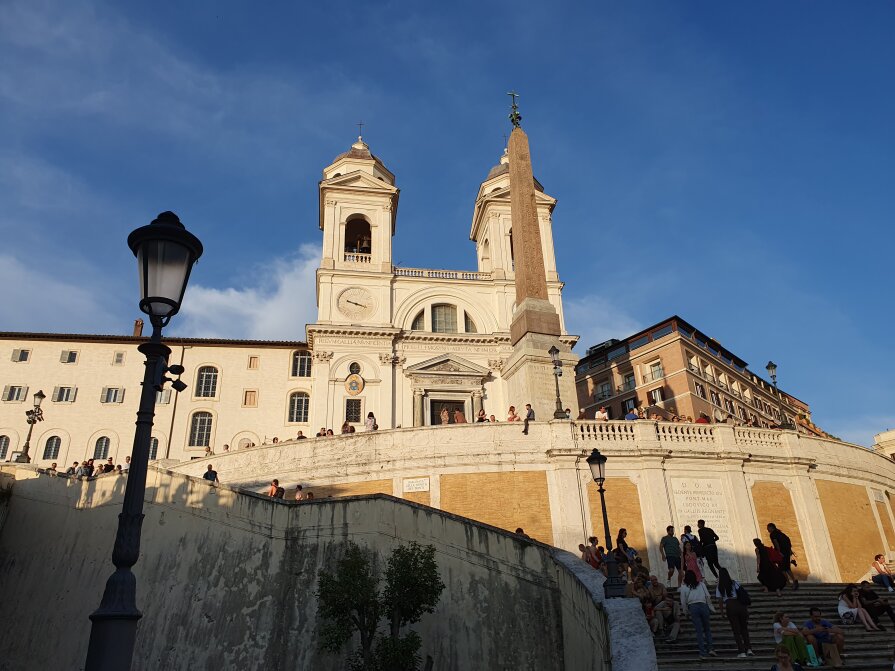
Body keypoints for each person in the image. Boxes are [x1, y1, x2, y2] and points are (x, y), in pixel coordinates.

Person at [716, 567, 753, 658]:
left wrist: (722, 612)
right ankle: (749, 649)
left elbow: (720, 601)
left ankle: (741, 651)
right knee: (744, 628)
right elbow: (742, 592)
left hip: (730, 606)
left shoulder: (719, 586)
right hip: (740, 605)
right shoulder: (734, 582)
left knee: (736, 630)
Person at [680, 569, 716, 660]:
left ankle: (702, 653)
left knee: (699, 631)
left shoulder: (684, 587)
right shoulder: (702, 585)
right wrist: (711, 607)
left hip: (693, 607)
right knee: (707, 629)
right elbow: (708, 596)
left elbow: (683, 602)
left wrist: (685, 612)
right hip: (703, 605)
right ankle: (711, 649)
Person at [768, 522, 799, 590]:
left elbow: (776, 544)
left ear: (771, 527)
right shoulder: (781, 533)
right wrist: (790, 550)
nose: (768, 530)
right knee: (787, 567)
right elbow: (788, 540)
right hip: (787, 552)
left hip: (781, 553)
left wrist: (779, 552)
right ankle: (794, 580)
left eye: (768, 528)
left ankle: (788, 582)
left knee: (782, 568)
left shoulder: (773, 534)